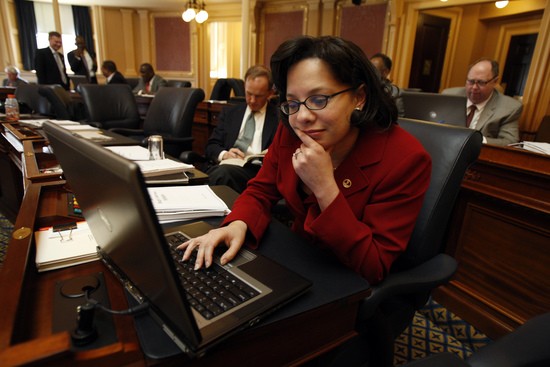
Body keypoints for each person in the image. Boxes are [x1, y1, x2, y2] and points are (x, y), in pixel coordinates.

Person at [178, 36, 432, 286]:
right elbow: (260, 190)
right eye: (292, 103)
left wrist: (325, 188)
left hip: (347, 280)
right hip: (297, 258)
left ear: (359, 97)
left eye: (319, 100)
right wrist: (238, 223)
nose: (302, 117)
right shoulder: (290, 131)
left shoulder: (406, 159)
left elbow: (373, 266)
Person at [205, 65, 279, 193]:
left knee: (221, 174)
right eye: (248, 94)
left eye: (258, 96)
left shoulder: (279, 118)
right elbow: (211, 146)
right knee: (220, 172)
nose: (252, 100)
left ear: (270, 94)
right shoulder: (230, 113)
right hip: (229, 166)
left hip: (258, 172)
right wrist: (225, 154)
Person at [442, 58, 522, 146]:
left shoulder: (509, 108)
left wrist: (477, 140)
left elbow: (510, 142)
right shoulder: (449, 95)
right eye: (471, 81)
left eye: (481, 82)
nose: (474, 87)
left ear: (495, 82)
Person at [370, 53, 405, 117]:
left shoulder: (396, 93)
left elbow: (400, 119)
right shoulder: (363, 88)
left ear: (385, 72)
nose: (369, 71)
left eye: (373, 69)